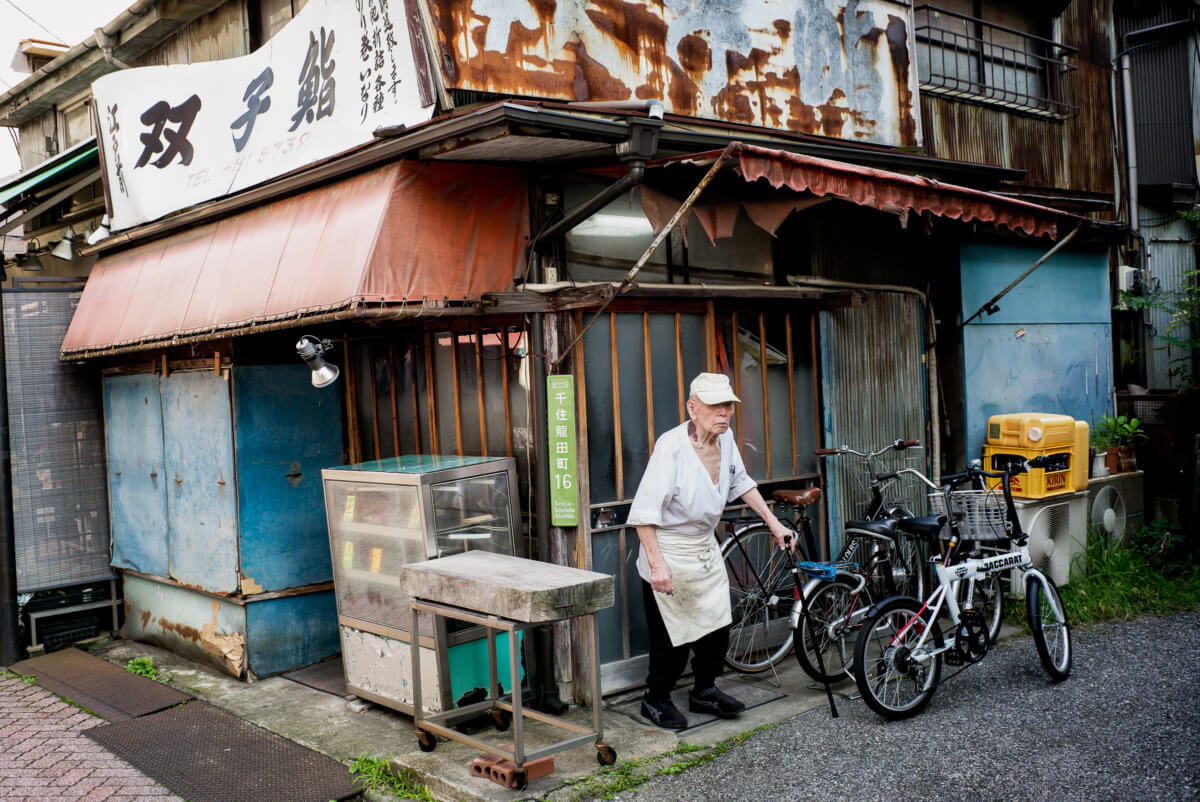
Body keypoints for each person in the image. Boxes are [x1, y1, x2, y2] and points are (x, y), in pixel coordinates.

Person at [626, 372, 793, 730]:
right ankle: (655, 699)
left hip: (704, 548)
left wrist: (774, 523)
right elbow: (643, 514)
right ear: (693, 407)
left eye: (728, 405)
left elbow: (741, 481)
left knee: (717, 628)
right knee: (671, 638)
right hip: (669, 551)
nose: (724, 412)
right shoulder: (671, 447)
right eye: (715, 405)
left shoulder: (726, 439)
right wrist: (658, 565)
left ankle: (704, 690)